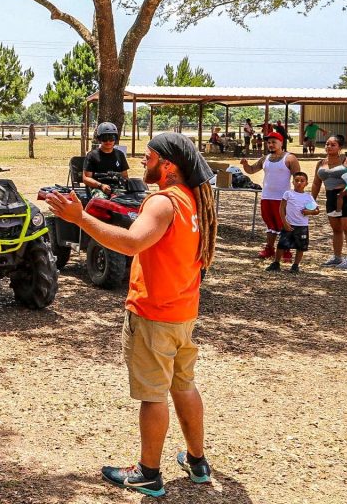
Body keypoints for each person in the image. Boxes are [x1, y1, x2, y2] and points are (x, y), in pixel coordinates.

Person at [45, 132, 217, 498]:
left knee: (153, 395)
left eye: (150, 157)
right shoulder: (193, 200)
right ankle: (197, 461)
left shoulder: (163, 201)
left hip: (154, 315)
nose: (142, 161)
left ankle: (148, 474)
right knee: (183, 386)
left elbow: (131, 242)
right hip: (183, 313)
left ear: (168, 165)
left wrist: (80, 218)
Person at [241, 132, 300, 262]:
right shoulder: (265, 158)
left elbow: (298, 177)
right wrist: (245, 164)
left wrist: (297, 196)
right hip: (267, 196)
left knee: (283, 224)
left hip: (282, 198)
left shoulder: (290, 158)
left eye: (274, 142)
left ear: (281, 143)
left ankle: (286, 249)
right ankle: (269, 248)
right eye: (269, 142)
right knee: (270, 224)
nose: (271, 145)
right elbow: (251, 170)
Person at [310, 135, 347, 268]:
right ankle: (337, 257)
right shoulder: (321, 163)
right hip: (330, 197)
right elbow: (316, 184)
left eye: (333, 145)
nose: (329, 147)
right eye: (327, 144)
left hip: (346, 196)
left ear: (340, 147)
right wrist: (312, 201)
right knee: (336, 229)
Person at [267, 172, 319, 273]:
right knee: (282, 244)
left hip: (302, 226)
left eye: (302, 181)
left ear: (306, 183)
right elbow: (281, 208)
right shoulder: (288, 194)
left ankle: (295, 265)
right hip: (289, 224)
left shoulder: (308, 196)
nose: (299, 183)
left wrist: (309, 212)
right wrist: (285, 223)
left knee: (301, 246)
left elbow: (317, 211)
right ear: (293, 182)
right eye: (297, 180)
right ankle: (276, 263)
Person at [83, 122, 129, 199]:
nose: (108, 141)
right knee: (102, 202)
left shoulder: (120, 155)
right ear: (99, 139)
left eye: (111, 138)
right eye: (104, 138)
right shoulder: (92, 155)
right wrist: (101, 186)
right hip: (97, 189)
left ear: (115, 139)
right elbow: (86, 178)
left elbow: (125, 176)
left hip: (116, 189)